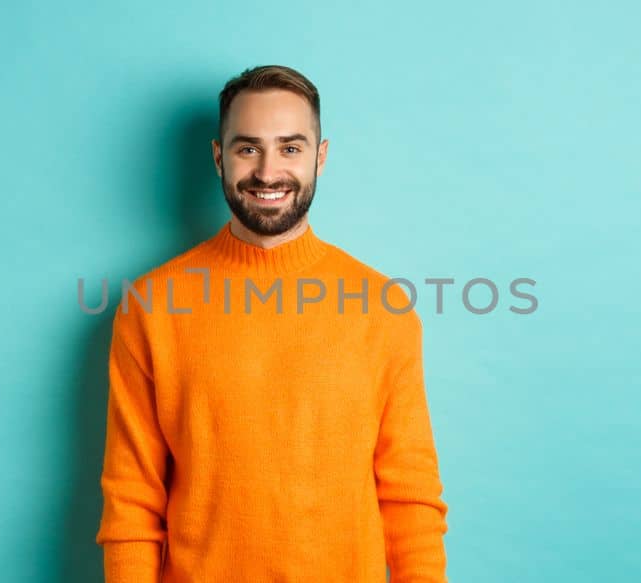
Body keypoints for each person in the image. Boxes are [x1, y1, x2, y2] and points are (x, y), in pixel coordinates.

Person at [95, 64, 449, 582]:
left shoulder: (383, 307)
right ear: (219, 158)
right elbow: (132, 498)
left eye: (290, 147)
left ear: (319, 158)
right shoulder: (152, 306)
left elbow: (410, 495)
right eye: (247, 148)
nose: (267, 172)